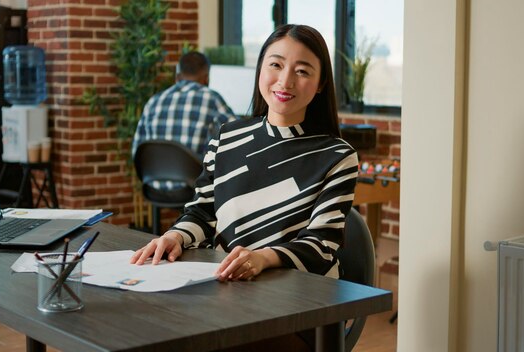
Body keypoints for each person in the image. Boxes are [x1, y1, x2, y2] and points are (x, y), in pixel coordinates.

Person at [130, 23, 359, 351]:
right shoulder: (227, 137)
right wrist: (175, 236)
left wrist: (264, 258)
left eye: (303, 70)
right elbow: (203, 212)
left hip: (303, 309)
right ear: (260, 69)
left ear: (321, 83)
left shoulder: (337, 156)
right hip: (228, 297)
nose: (285, 81)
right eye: (276, 65)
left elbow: (322, 245)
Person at [131, 51, 236, 159]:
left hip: (154, 174)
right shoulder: (211, 98)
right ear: (206, 79)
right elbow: (238, 132)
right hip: (195, 174)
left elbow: (136, 151)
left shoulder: (153, 101)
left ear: (177, 77)